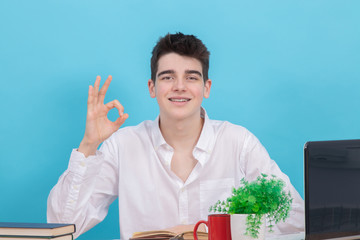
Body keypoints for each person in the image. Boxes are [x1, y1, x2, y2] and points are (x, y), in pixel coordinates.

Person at [47, 32, 305, 239]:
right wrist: (89, 144)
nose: (179, 86)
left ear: (206, 87)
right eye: (168, 77)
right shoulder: (123, 146)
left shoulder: (239, 143)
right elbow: (63, 227)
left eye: (191, 77)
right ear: (152, 87)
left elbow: (296, 220)